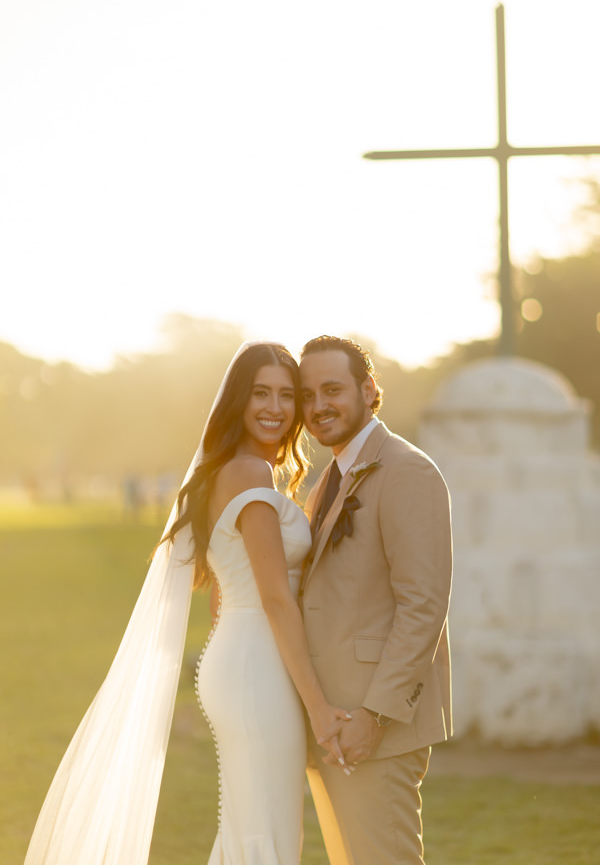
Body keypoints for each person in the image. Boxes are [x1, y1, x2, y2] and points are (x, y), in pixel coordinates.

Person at [25, 341, 351, 865]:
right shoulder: (249, 474)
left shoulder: (233, 470)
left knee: (254, 825)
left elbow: (222, 589)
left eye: (286, 395)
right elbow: (274, 599)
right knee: (264, 830)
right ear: (239, 400)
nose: (274, 407)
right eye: (260, 393)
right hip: (258, 669)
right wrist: (319, 707)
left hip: (242, 661)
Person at [298, 336, 453, 865]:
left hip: (374, 729)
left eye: (333, 389)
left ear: (369, 390)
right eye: (308, 394)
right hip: (331, 727)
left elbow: (423, 605)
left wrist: (375, 715)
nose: (318, 406)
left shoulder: (408, 470)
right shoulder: (327, 482)